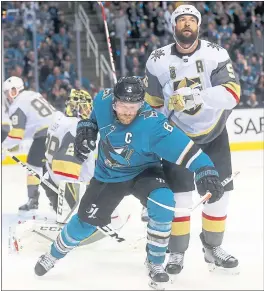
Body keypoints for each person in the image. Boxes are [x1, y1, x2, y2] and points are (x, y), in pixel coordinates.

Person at [34, 77, 224, 289]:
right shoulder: (102, 100)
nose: (126, 111)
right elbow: (94, 118)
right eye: (122, 106)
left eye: (132, 107)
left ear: (141, 103)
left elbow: (189, 151)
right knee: (85, 223)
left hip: (145, 171)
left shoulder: (154, 124)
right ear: (114, 102)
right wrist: (86, 128)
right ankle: (53, 254)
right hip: (109, 175)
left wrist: (207, 171)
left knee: (163, 202)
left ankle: (155, 263)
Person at [144, 4, 240, 276]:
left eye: (191, 20)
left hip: (214, 135)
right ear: (174, 26)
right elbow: (152, 105)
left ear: (198, 26)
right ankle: (176, 253)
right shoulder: (157, 60)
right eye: (181, 20)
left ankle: (213, 248)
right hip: (177, 139)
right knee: (181, 199)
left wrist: (196, 96)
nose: (187, 24)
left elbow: (232, 94)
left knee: (218, 197)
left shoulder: (216, 54)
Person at [42, 88, 123, 244]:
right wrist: (74, 200)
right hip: (67, 185)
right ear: (75, 107)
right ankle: (73, 221)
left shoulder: (59, 120)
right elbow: (66, 163)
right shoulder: (76, 126)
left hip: (49, 181)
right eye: (84, 106)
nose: (87, 110)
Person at [2, 76, 56, 211]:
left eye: (7, 92)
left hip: (45, 134)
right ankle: (57, 198)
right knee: (45, 168)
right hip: (58, 129)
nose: (7, 96)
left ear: (14, 90)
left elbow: (17, 135)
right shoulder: (32, 95)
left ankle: (34, 200)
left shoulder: (17, 104)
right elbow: (29, 129)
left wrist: (3, 146)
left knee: (33, 164)